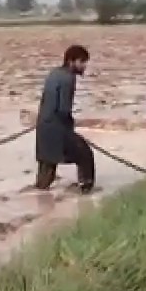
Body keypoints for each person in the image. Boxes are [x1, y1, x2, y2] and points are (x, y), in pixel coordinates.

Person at [34, 44, 95, 193]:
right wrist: (69, 127)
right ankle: (86, 190)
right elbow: (63, 109)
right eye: (82, 62)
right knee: (84, 153)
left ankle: (39, 194)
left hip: (42, 129)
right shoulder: (69, 78)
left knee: (46, 167)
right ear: (71, 61)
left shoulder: (53, 73)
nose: (84, 66)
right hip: (57, 129)